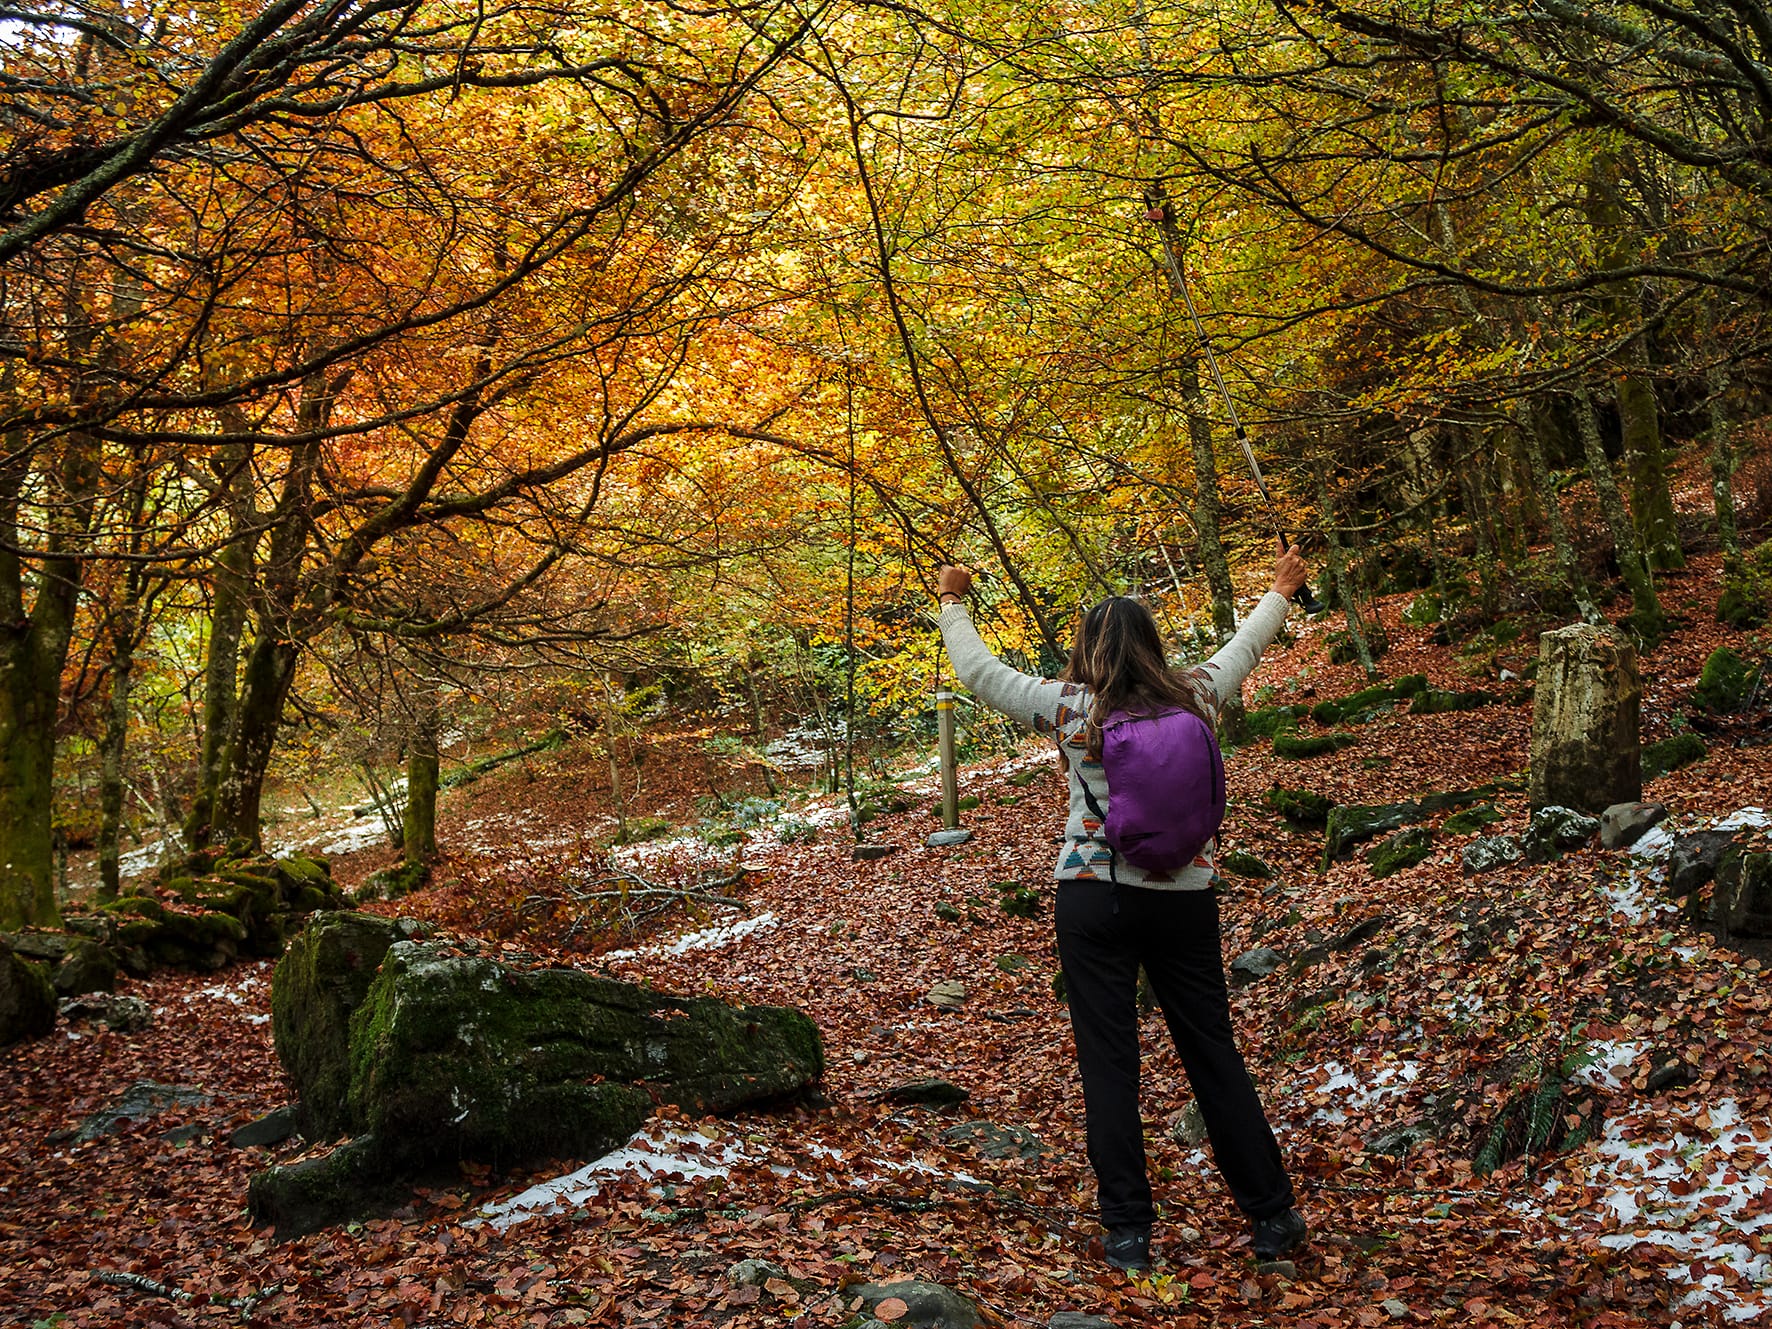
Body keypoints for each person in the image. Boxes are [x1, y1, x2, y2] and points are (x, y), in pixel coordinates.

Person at [934, 547, 1311, 1273]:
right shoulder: (1195, 693)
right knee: (1211, 1052)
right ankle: (1271, 1215)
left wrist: (953, 602)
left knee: (1109, 1064)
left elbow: (979, 674)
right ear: (1152, 643)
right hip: (1185, 899)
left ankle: (1128, 1235)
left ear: (1086, 649)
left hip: (1091, 894)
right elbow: (1246, 649)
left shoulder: (1071, 707)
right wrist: (1280, 591)